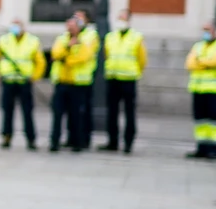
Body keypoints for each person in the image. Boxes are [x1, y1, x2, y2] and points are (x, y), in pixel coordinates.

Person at [48, 14, 97, 152]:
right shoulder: (62, 39)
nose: (70, 28)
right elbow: (56, 54)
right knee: (57, 113)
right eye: (68, 26)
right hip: (61, 81)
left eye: (73, 26)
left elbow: (84, 57)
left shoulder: (84, 41)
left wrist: (67, 60)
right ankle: (54, 141)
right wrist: (68, 49)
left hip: (77, 83)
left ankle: (77, 142)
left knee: (76, 114)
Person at [0, 18, 44, 149]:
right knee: (7, 110)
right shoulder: (4, 40)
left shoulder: (32, 41)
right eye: (13, 25)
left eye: (17, 25)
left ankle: (31, 138)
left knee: (27, 111)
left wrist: (35, 76)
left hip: (24, 81)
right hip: (8, 80)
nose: (15, 28)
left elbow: (40, 61)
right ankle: (6, 136)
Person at [101, 9, 147, 153]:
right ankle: (112, 141)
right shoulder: (110, 37)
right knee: (112, 112)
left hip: (128, 79)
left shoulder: (136, 37)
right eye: (119, 18)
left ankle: (128, 142)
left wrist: (135, 72)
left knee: (129, 112)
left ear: (129, 20)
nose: (120, 21)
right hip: (113, 78)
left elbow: (142, 59)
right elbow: (107, 54)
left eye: (123, 18)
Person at [186, 20, 216, 160]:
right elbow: (189, 64)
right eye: (203, 29)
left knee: (214, 121)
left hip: (214, 90)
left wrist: (201, 61)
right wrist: (205, 63)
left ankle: (214, 149)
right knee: (200, 120)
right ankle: (201, 148)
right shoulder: (198, 46)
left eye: (208, 29)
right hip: (198, 89)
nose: (205, 32)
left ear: (215, 31)